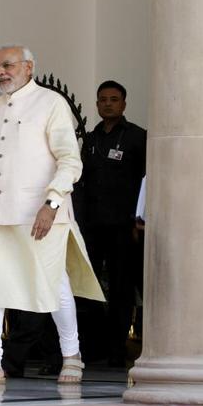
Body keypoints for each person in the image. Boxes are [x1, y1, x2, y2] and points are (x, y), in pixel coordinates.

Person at [0, 45, 104, 385]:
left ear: (29, 67)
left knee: (55, 285)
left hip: (41, 213)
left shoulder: (52, 103)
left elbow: (70, 160)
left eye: (7, 65)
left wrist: (52, 203)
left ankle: (72, 355)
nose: (0, 72)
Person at [80, 80, 146, 367]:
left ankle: (119, 349)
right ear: (96, 104)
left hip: (123, 228)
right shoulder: (90, 140)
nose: (107, 103)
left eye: (114, 99)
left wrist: (140, 220)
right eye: (102, 99)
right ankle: (93, 348)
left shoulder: (137, 138)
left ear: (124, 104)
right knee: (88, 288)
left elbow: (148, 182)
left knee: (121, 289)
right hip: (92, 228)